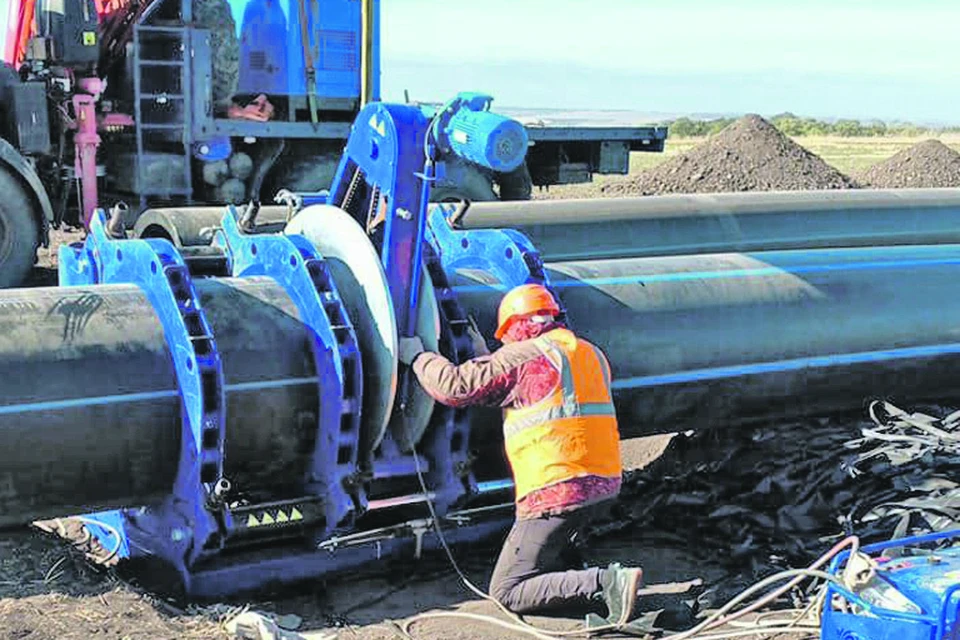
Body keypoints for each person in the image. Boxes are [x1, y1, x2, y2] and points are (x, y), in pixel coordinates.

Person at [398, 283, 643, 626]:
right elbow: (529, 387)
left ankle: (605, 583)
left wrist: (418, 357)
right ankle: (571, 570)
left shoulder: (526, 355)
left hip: (557, 490)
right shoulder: (589, 352)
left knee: (508, 590)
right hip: (603, 483)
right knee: (547, 547)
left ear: (516, 324)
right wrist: (488, 356)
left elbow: (457, 386)